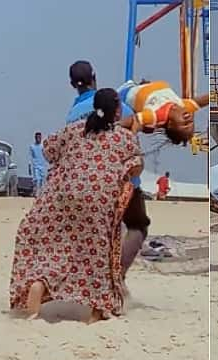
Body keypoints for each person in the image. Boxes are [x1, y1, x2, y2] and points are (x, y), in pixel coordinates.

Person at [9, 88, 143, 323]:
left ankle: (38, 288)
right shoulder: (124, 137)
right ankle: (96, 310)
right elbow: (136, 166)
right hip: (98, 200)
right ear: (117, 110)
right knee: (95, 255)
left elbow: (49, 152)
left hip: (62, 198)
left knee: (55, 248)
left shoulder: (73, 130)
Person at [65, 61, 149, 284]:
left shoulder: (72, 115)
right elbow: (134, 134)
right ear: (95, 77)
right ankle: (116, 277)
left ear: (72, 84)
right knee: (137, 226)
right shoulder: (116, 105)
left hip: (83, 184)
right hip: (121, 183)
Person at [29, 131, 47, 196]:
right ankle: (37, 194)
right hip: (36, 166)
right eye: (37, 137)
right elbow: (30, 156)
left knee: (43, 180)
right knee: (37, 180)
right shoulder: (32, 146)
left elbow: (46, 155)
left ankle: (42, 194)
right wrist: (30, 166)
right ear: (35, 138)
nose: (38, 139)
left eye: (40, 137)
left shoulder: (43, 146)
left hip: (43, 166)